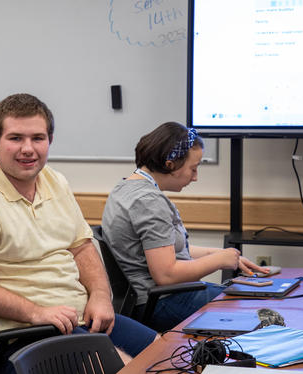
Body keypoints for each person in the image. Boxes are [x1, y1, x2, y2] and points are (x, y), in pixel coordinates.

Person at [0, 93, 157, 374]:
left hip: (79, 320)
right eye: (15, 138)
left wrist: (101, 296)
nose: (28, 149)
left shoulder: (54, 181)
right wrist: (35, 312)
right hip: (18, 338)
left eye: (38, 138)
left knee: (168, 357)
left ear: (50, 140)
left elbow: (82, 245)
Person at [101, 122, 269, 332]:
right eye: (193, 168)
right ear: (171, 164)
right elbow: (167, 275)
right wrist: (218, 261)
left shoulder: (126, 188)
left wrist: (222, 254)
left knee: (245, 297)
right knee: (260, 312)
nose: (195, 177)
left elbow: (164, 251)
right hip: (161, 301)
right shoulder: (148, 201)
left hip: (153, 298)